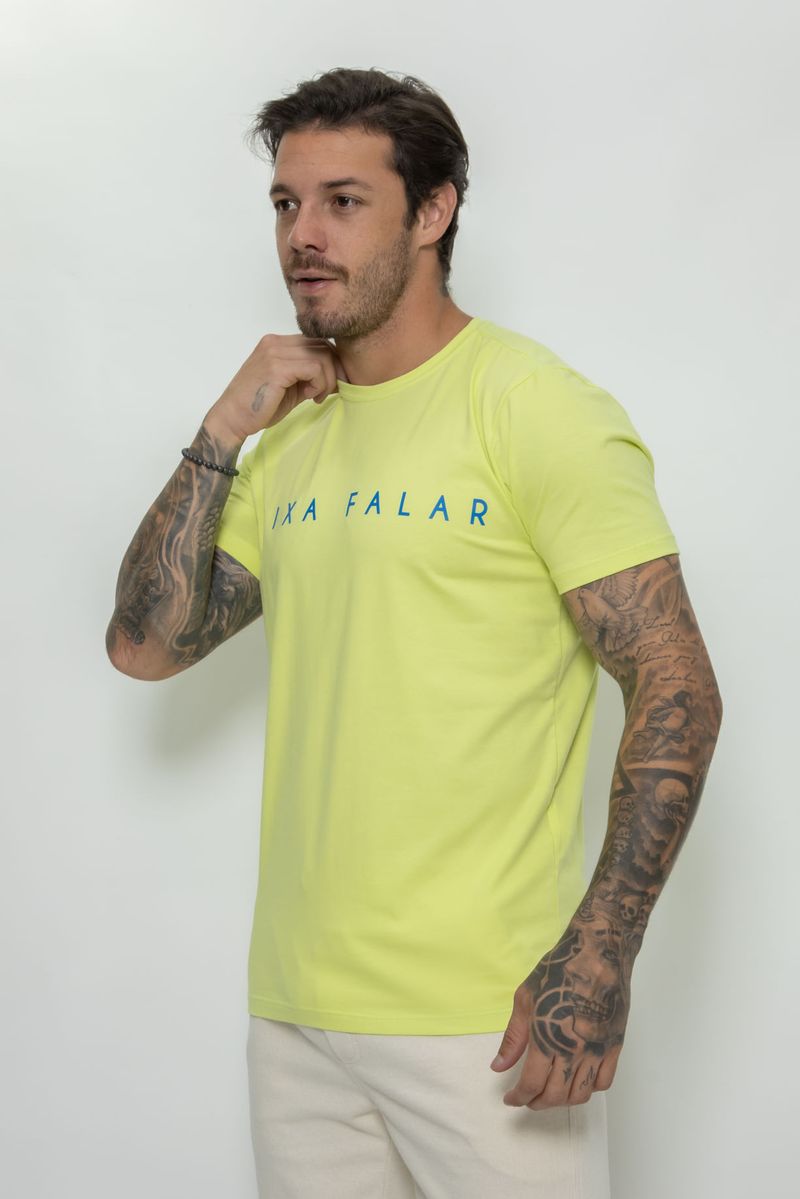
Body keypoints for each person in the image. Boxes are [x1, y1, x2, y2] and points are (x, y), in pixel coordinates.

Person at [106, 67, 723, 1199]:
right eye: (286, 203)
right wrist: (224, 426)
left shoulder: (536, 409)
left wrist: (599, 952)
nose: (304, 235)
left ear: (432, 211)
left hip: (489, 1017)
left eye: (343, 201)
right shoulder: (289, 439)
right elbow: (146, 646)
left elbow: (676, 683)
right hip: (297, 1014)